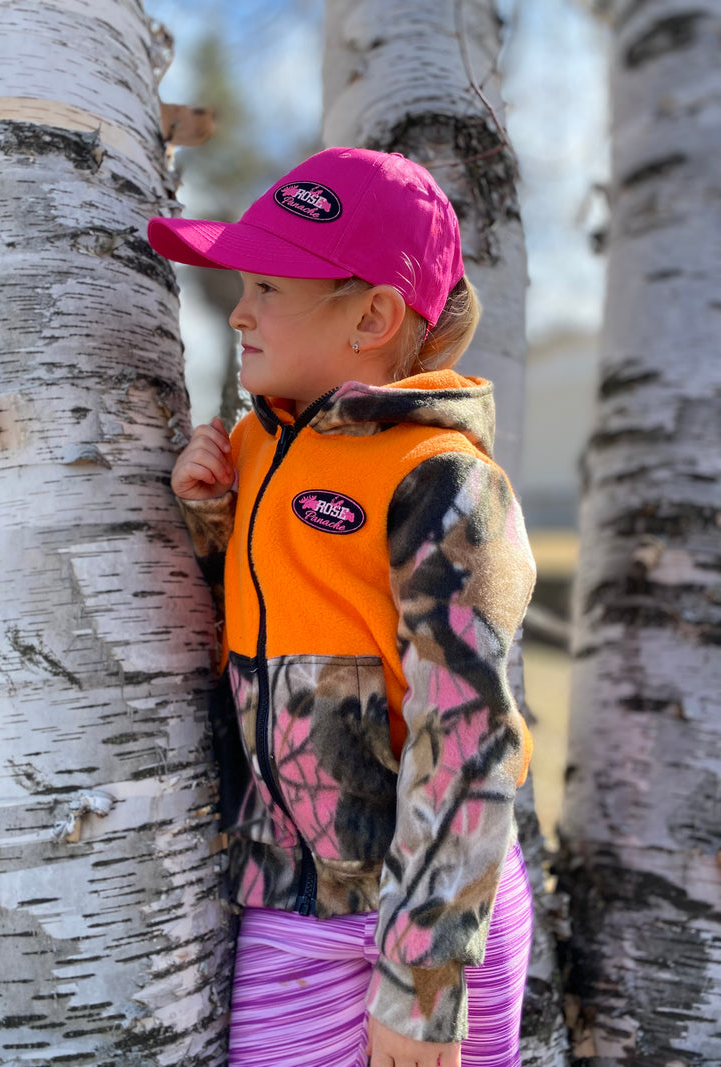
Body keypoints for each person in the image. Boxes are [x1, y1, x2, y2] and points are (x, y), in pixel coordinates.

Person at [147, 146, 536, 1067]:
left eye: (270, 288)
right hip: (292, 898)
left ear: (372, 315)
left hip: (423, 915)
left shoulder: (441, 483)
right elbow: (268, 614)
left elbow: (468, 734)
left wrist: (420, 978)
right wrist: (212, 518)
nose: (238, 311)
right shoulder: (256, 437)